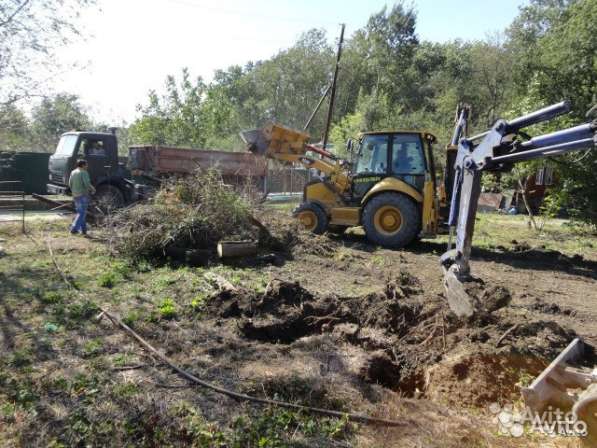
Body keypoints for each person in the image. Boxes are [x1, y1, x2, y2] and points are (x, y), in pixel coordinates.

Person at [68, 159, 95, 235]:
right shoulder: (84, 172)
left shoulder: (73, 172)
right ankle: (74, 229)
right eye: (86, 164)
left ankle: (84, 230)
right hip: (82, 195)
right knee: (82, 213)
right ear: (83, 165)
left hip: (75, 195)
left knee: (81, 212)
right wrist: (93, 189)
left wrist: (74, 191)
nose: (87, 166)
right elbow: (87, 184)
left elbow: (70, 184)